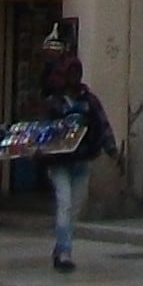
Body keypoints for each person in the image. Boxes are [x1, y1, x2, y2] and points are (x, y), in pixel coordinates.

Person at [40, 52, 114, 272]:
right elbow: (44, 130)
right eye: (70, 73)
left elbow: (103, 125)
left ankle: (61, 244)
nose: (74, 77)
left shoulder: (89, 101)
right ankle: (65, 251)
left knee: (75, 207)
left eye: (77, 73)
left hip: (81, 160)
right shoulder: (53, 102)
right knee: (65, 203)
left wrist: (112, 150)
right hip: (59, 162)